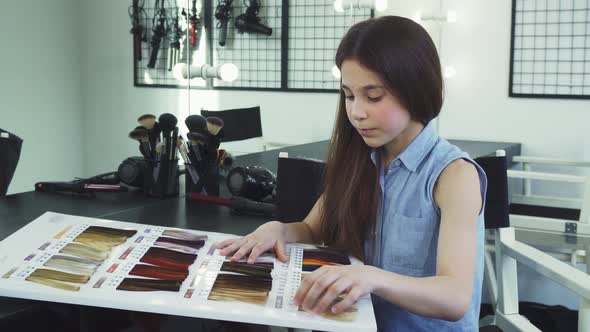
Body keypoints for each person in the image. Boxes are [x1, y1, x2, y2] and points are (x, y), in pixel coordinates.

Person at [216, 15, 487, 331]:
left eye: (373, 96)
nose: (357, 112)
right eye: (349, 95)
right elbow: (312, 228)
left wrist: (371, 277)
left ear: (415, 89)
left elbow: (454, 298)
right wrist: (280, 230)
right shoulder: (361, 159)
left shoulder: (453, 175)